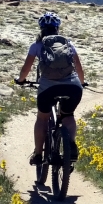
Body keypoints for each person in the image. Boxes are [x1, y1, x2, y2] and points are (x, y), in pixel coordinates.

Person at [15, 12, 85, 166]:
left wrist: (21, 80)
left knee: (42, 118)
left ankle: (38, 154)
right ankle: (71, 144)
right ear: (57, 28)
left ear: (41, 29)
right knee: (68, 115)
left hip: (48, 89)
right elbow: (79, 68)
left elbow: (26, 69)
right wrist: (82, 82)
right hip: (73, 87)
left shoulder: (36, 46)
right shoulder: (68, 44)